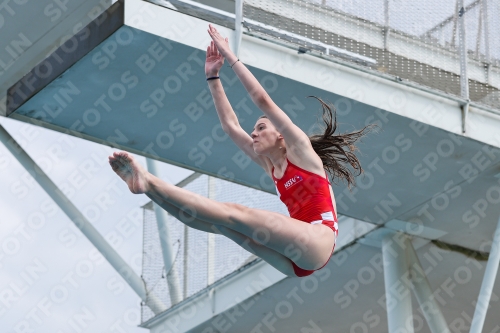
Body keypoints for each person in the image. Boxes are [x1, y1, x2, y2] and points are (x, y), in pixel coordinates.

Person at [108, 24, 372, 277]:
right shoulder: (271, 165)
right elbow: (231, 126)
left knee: (235, 212)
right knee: (222, 225)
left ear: (281, 135)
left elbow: (262, 100)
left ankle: (149, 180)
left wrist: (229, 55)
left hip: (318, 240)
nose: (253, 133)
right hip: (296, 262)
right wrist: (213, 77)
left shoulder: (301, 151)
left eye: (260, 127)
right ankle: (149, 188)